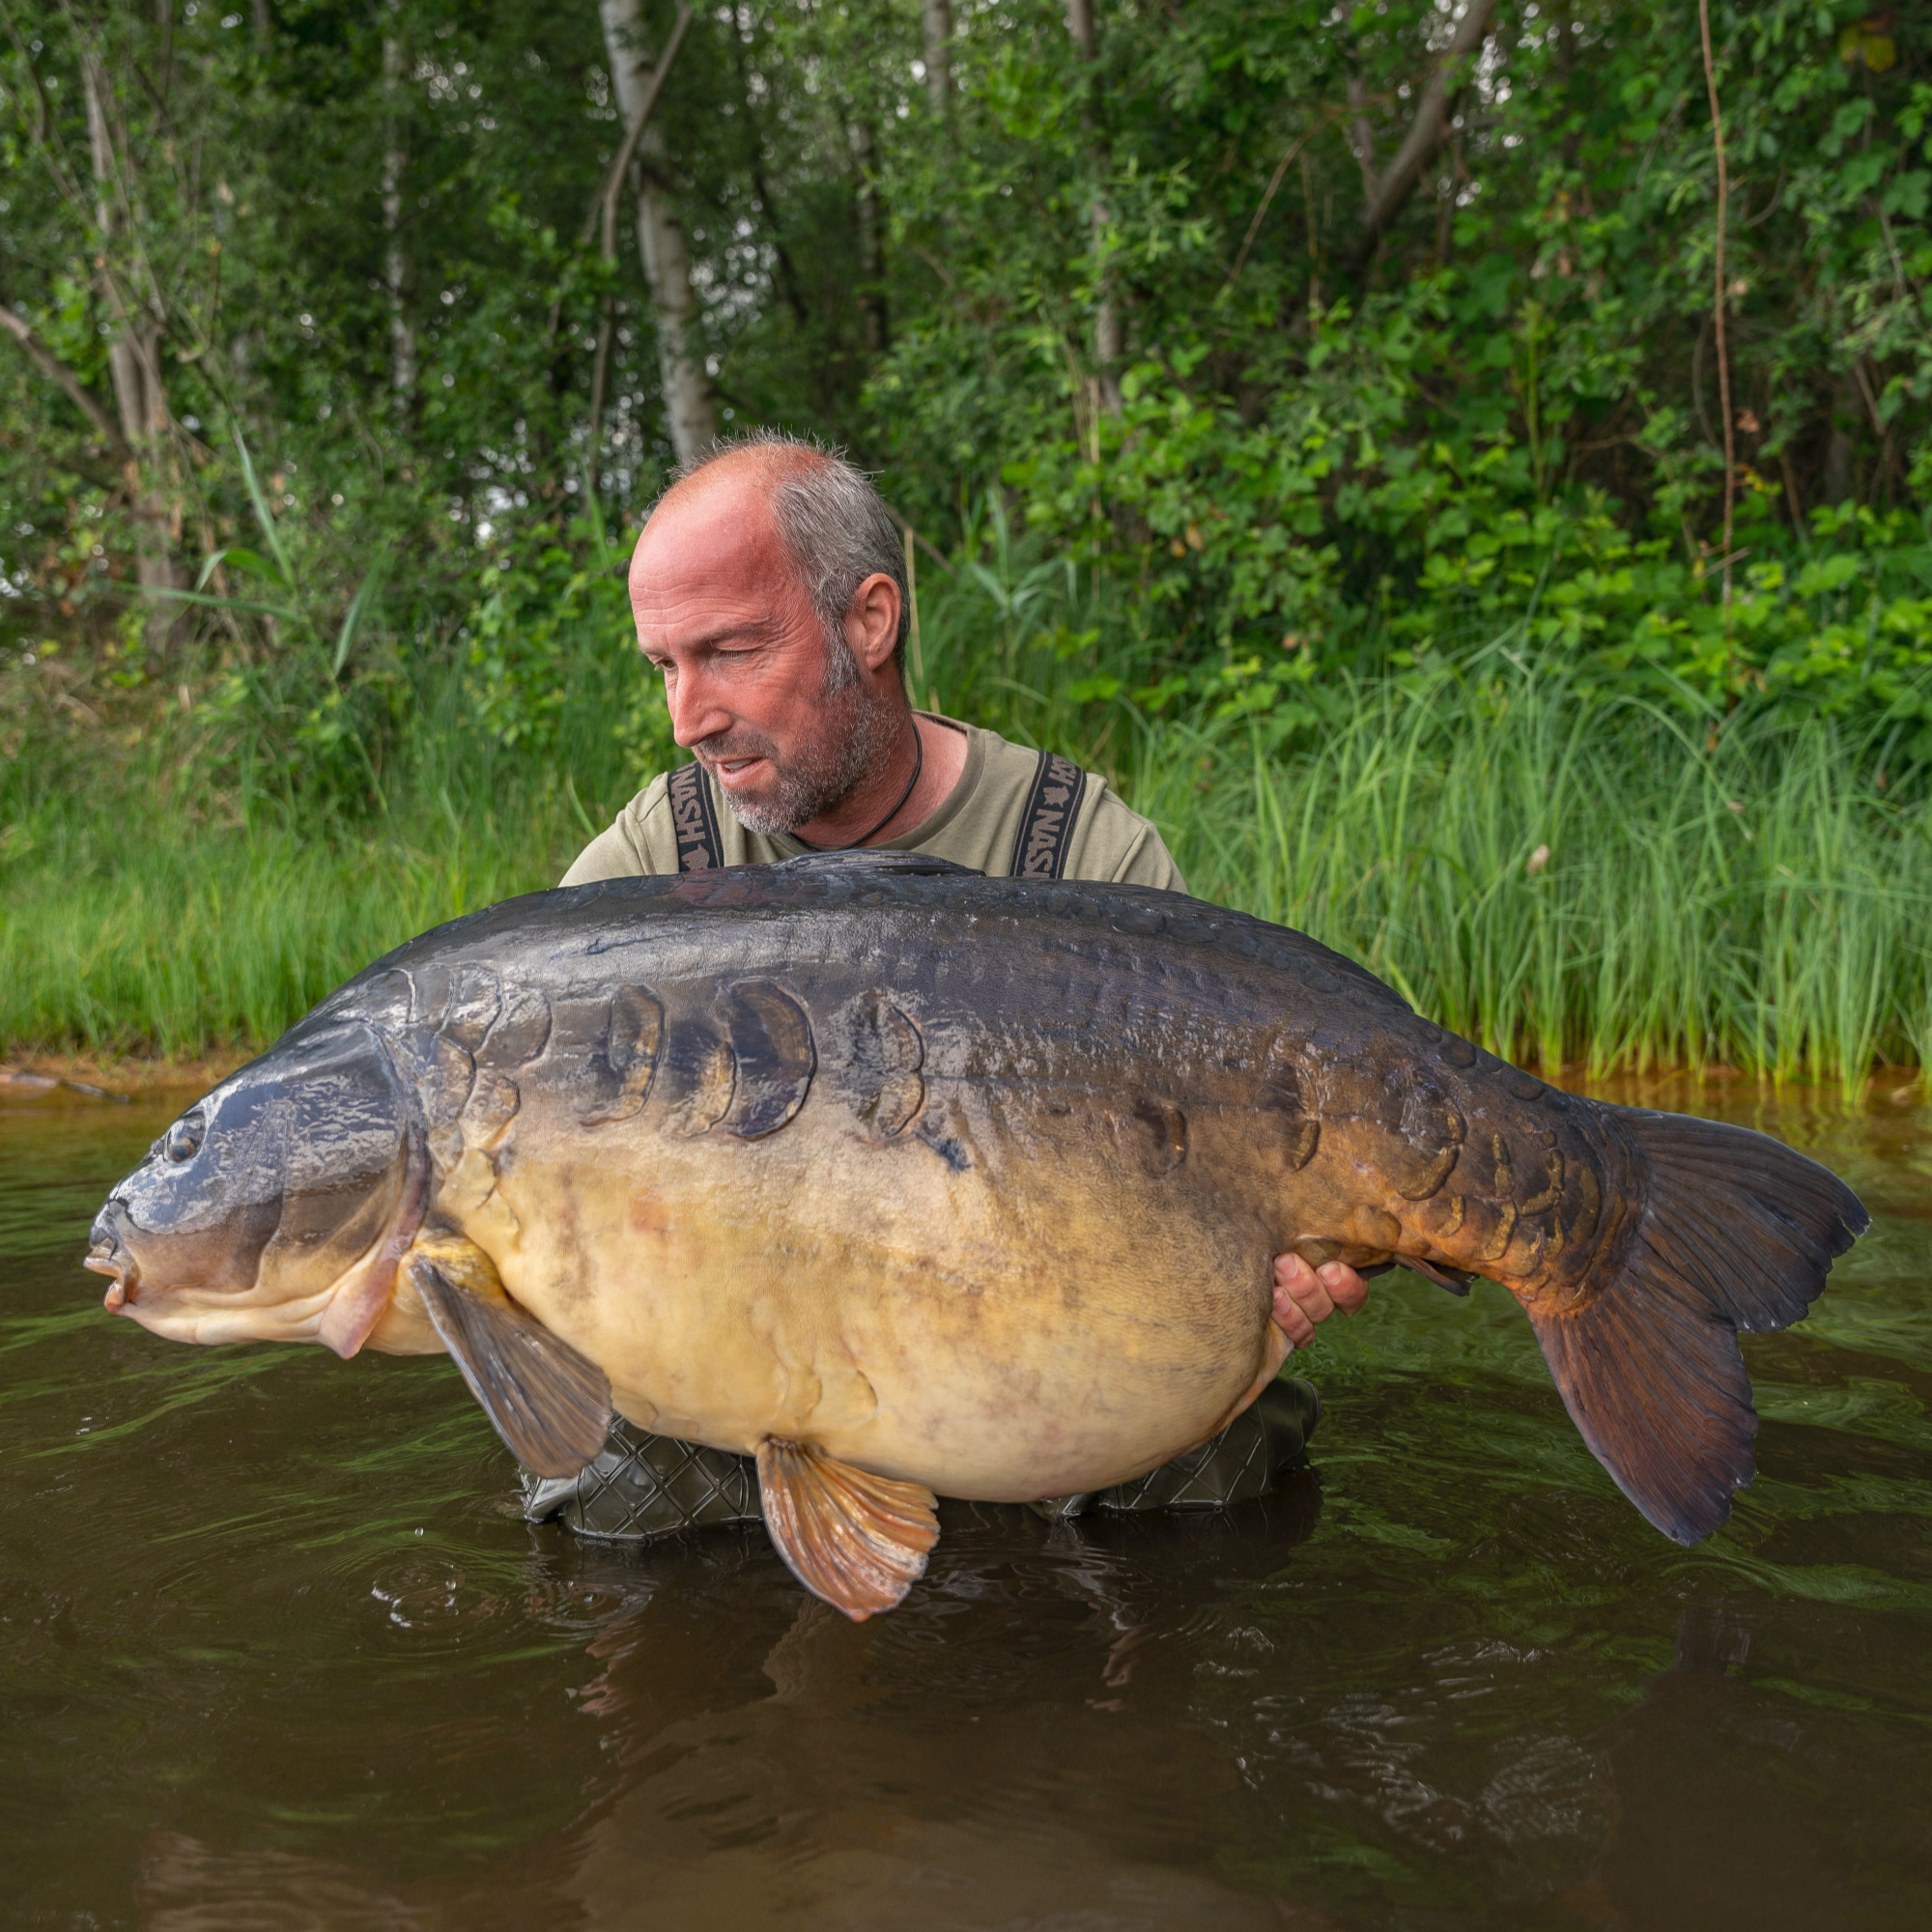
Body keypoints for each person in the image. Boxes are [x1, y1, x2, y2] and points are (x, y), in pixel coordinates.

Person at [524, 430, 1370, 1543]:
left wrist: (1281, 1263)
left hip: (1036, 1341)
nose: (689, 719)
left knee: (1216, 1444)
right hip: (764, 1352)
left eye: (727, 651)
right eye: (664, 667)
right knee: (600, 1468)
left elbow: (1240, 1161)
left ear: (868, 620)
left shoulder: (1080, 852)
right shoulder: (647, 869)